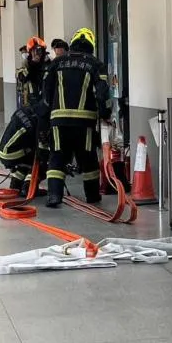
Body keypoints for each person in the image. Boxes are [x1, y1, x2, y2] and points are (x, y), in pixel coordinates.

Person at [43, 28, 111, 208]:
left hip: (58, 121)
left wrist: (44, 120)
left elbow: (46, 93)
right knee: (87, 158)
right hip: (84, 123)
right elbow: (102, 93)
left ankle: (54, 196)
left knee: (57, 156)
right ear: (91, 45)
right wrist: (105, 114)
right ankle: (92, 196)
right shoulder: (96, 64)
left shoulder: (57, 62)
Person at [0, 102, 50, 197]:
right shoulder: (40, 122)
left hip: (1, 149)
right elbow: (41, 148)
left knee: (28, 152)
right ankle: (29, 187)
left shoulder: (23, 110)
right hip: (13, 153)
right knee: (43, 160)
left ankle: (15, 184)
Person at [17, 37, 49, 107]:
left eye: (39, 50)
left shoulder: (48, 63)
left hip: (46, 99)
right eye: (33, 51)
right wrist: (32, 65)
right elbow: (21, 77)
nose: (36, 53)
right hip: (30, 100)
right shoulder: (26, 63)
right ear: (30, 52)